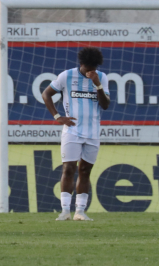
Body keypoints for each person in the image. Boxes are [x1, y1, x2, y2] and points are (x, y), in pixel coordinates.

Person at [42, 47, 110, 221]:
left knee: (85, 171)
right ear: (82, 64)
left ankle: (80, 211)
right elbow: (46, 94)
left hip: (93, 133)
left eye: (93, 68)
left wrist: (98, 85)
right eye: (88, 68)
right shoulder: (67, 76)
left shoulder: (101, 78)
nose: (90, 71)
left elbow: (105, 105)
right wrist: (58, 117)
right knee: (69, 168)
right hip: (72, 131)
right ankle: (65, 211)